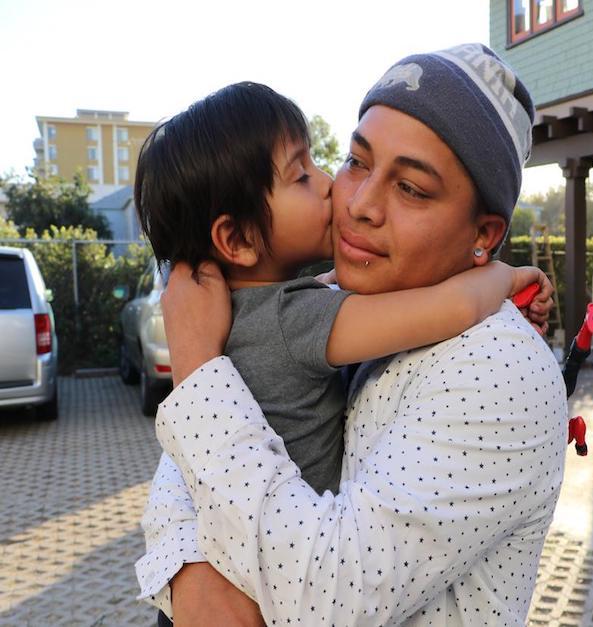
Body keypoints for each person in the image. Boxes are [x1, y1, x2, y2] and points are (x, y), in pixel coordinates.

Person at [137, 43, 568, 626]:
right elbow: (187, 456)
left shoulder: (500, 370)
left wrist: (195, 362)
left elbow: (326, 597)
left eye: (411, 188)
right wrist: (188, 570)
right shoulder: (336, 296)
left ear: (485, 232)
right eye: (355, 162)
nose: (358, 204)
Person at [133, 81, 550, 497]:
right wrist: (507, 277)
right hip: (283, 546)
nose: (329, 184)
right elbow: (456, 307)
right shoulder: (294, 319)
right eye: (301, 176)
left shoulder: (244, 317)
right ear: (239, 240)